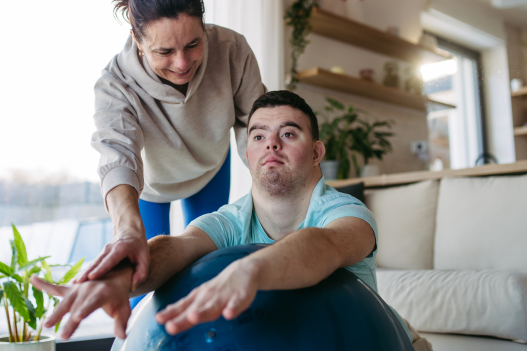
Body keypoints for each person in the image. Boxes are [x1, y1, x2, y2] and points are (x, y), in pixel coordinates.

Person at [33, 91, 431, 349]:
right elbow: (178, 247)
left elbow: (323, 245)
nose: (271, 143)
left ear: (316, 152)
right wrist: (121, 277)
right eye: (258, 136)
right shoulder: (231, 220)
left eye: (289, 134)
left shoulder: (347, 213)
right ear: (247, 154)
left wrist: (254, 268)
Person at [79, 0, 266, 296]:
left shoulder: (231, 48)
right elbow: (117, 156)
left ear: (204, 27)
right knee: (142, 280)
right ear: (137, 39)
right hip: (151, 185)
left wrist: (276, 190)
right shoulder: (114, 84)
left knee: (209, 271)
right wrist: (125, 229)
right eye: (164, 51)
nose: (182, 64)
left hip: (210, 166)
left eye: (193, 44)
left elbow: (256, 122)